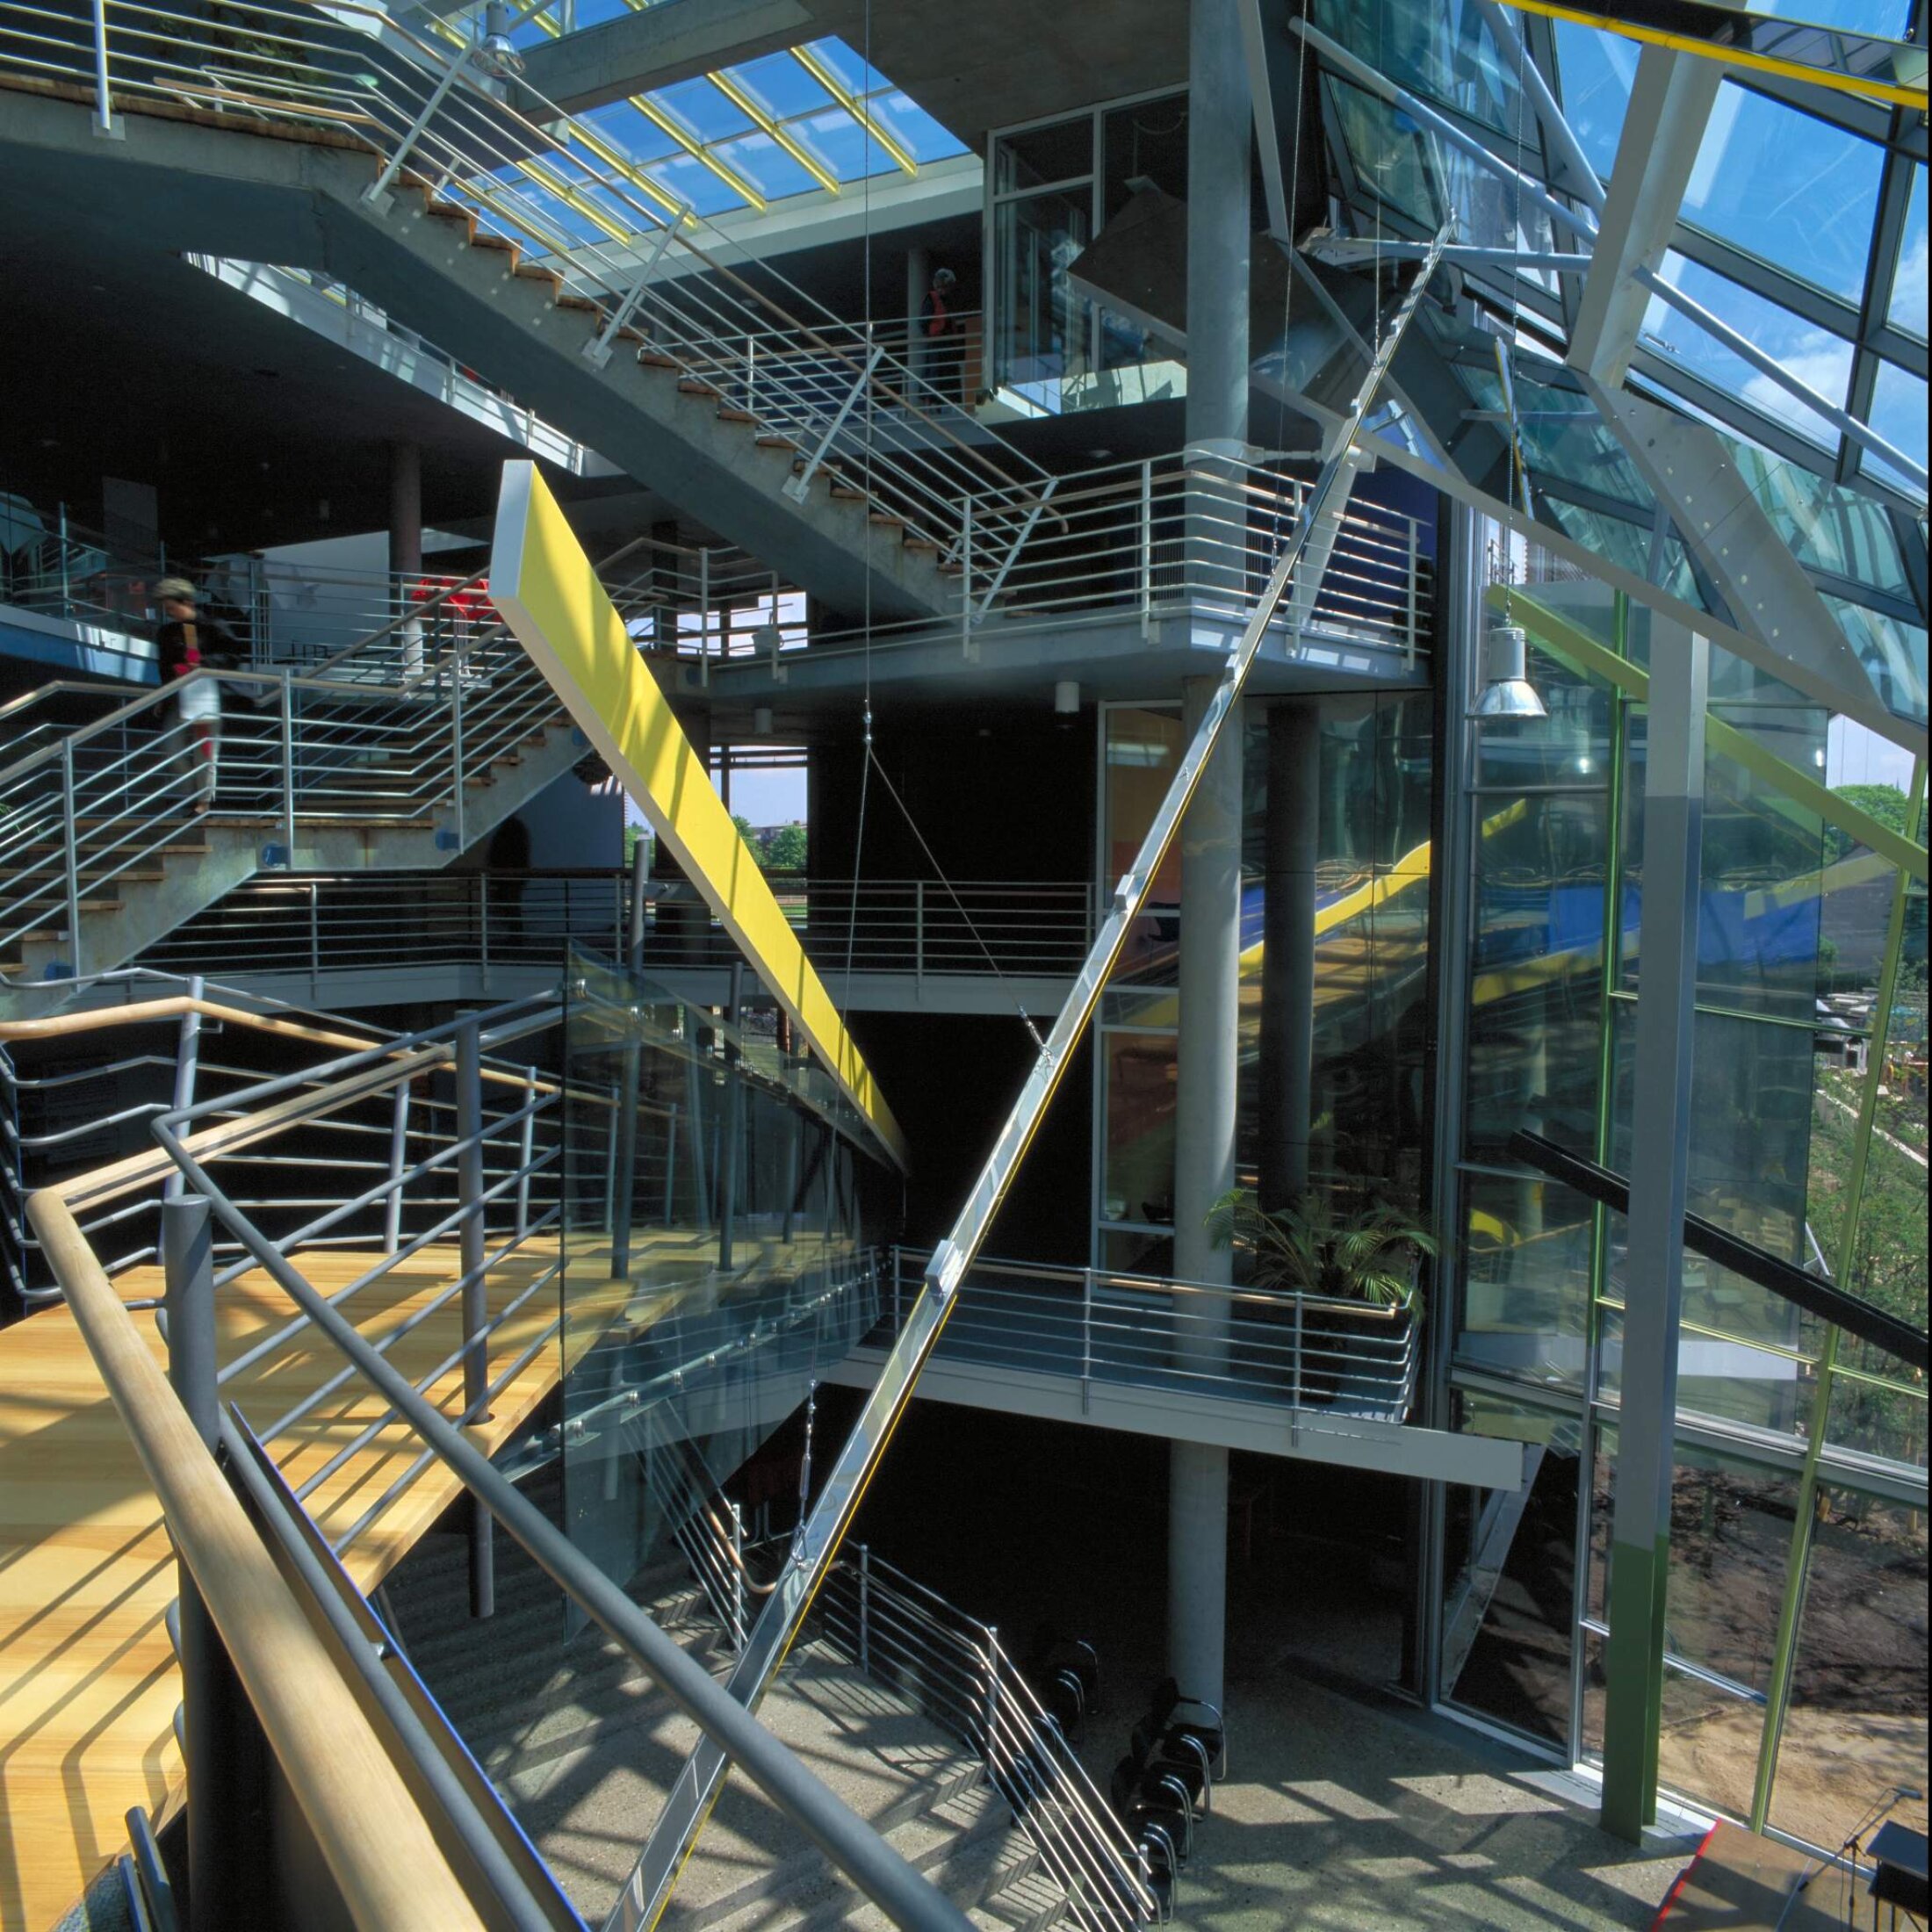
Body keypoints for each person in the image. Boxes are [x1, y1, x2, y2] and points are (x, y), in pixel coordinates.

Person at [154, 576, 242, 812]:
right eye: (167, 609)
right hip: (178, 696)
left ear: (188, 602)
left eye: (173, 607)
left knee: (205, 750)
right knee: (172, 748)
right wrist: (163, 696)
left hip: (207, 696)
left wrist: (203, 664)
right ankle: (192, 794)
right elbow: (164, 667)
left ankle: (203, 800)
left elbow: (233, 658)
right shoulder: (166, 632)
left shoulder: (214, 626)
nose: (170, 613)